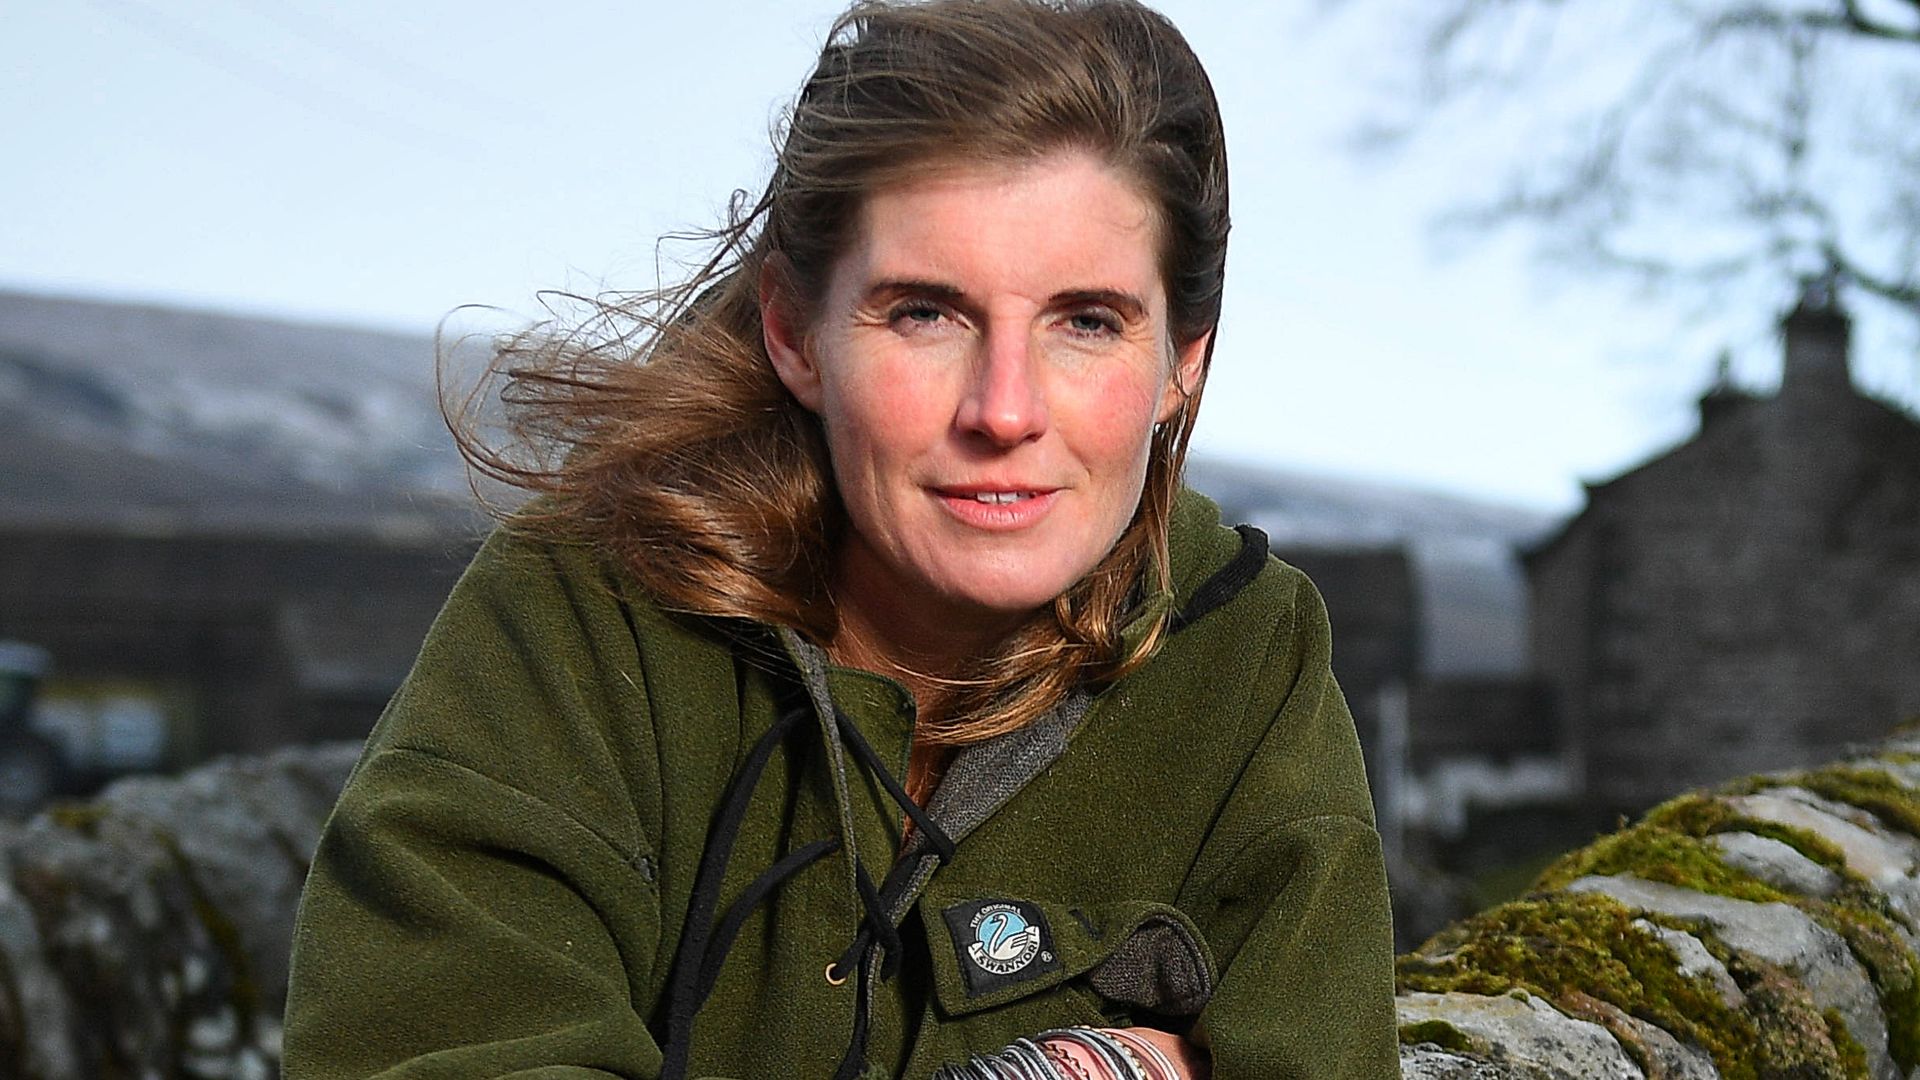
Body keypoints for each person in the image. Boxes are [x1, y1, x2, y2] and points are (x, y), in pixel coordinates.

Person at [282, 1, 1398, 1077]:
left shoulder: (1244, 654)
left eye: (1086, 321)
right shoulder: (584, 609)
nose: (1004, 410)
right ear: (794, 332)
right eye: (926, 313)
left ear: (1182, 362)